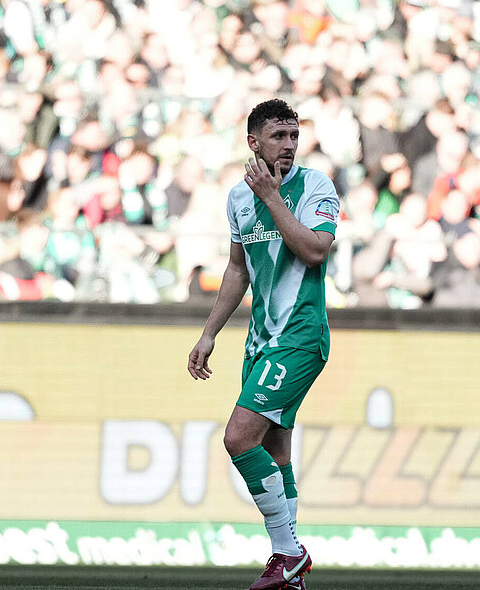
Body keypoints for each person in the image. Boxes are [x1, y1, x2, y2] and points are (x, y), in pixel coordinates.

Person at [187, 99, 338, 590]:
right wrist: (210, 334)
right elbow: (236, 269)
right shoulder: (236, 197)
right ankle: (289, 571)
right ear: (253, 142)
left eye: (294, 135)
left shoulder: (315, 186)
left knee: (238, 437)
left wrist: (273, 198)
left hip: (299, 337)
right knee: (275, 453)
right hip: (261, 340)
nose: (289, 145)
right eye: (278, 136)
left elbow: (316, 250)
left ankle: (289, 554)